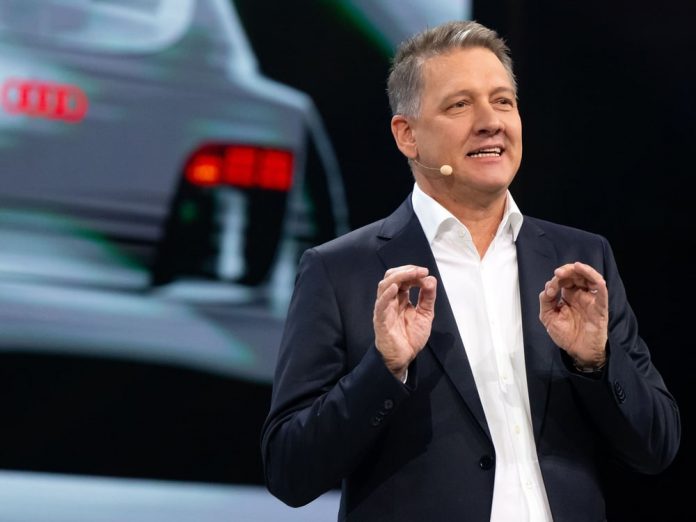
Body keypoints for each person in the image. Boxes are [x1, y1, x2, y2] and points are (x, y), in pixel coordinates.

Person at [260, 20, 680, 521]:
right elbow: (290, 470)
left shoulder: (582, 259)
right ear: (407, 135)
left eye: (503, 101)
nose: (490, 122)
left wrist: (597, 363)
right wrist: (384, 370)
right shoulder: (340, 271)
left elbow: (657, 446)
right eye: (460, 105)